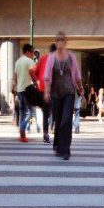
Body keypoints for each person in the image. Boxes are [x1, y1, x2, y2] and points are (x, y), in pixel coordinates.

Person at [43, 31, 83, 161]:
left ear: (65, 42)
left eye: (61, 39)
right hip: (55, 93)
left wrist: (81, 88)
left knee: (66, 120)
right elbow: (47, 77)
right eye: (57, 39)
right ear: (55, 42)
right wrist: (47, 92)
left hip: (69, 92)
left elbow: (77, 75)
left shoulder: (71, 56)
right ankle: (58, 145)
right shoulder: (52, 57)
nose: (59, 41)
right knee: (58, 120)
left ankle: (65, 149)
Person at [32, 44, 55, 144]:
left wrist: (37, 83)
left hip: (42, 90)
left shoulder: (42, 58)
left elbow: (34, 72)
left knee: (46, 113)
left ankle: (46, 133)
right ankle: (54, 129)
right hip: (53, 90)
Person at [12, 43, 35, 142]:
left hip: (20, 91)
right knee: (30, 112)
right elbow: (32, 74)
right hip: (27, 90)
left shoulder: (17, 62)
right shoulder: (30, 61)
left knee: (22, 113)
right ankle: (22, 129)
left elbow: (14, 77)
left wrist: (15, 88)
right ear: (27, 52)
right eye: (32, 52)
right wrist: (37, 84)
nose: (33, 54)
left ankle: (22, 135)